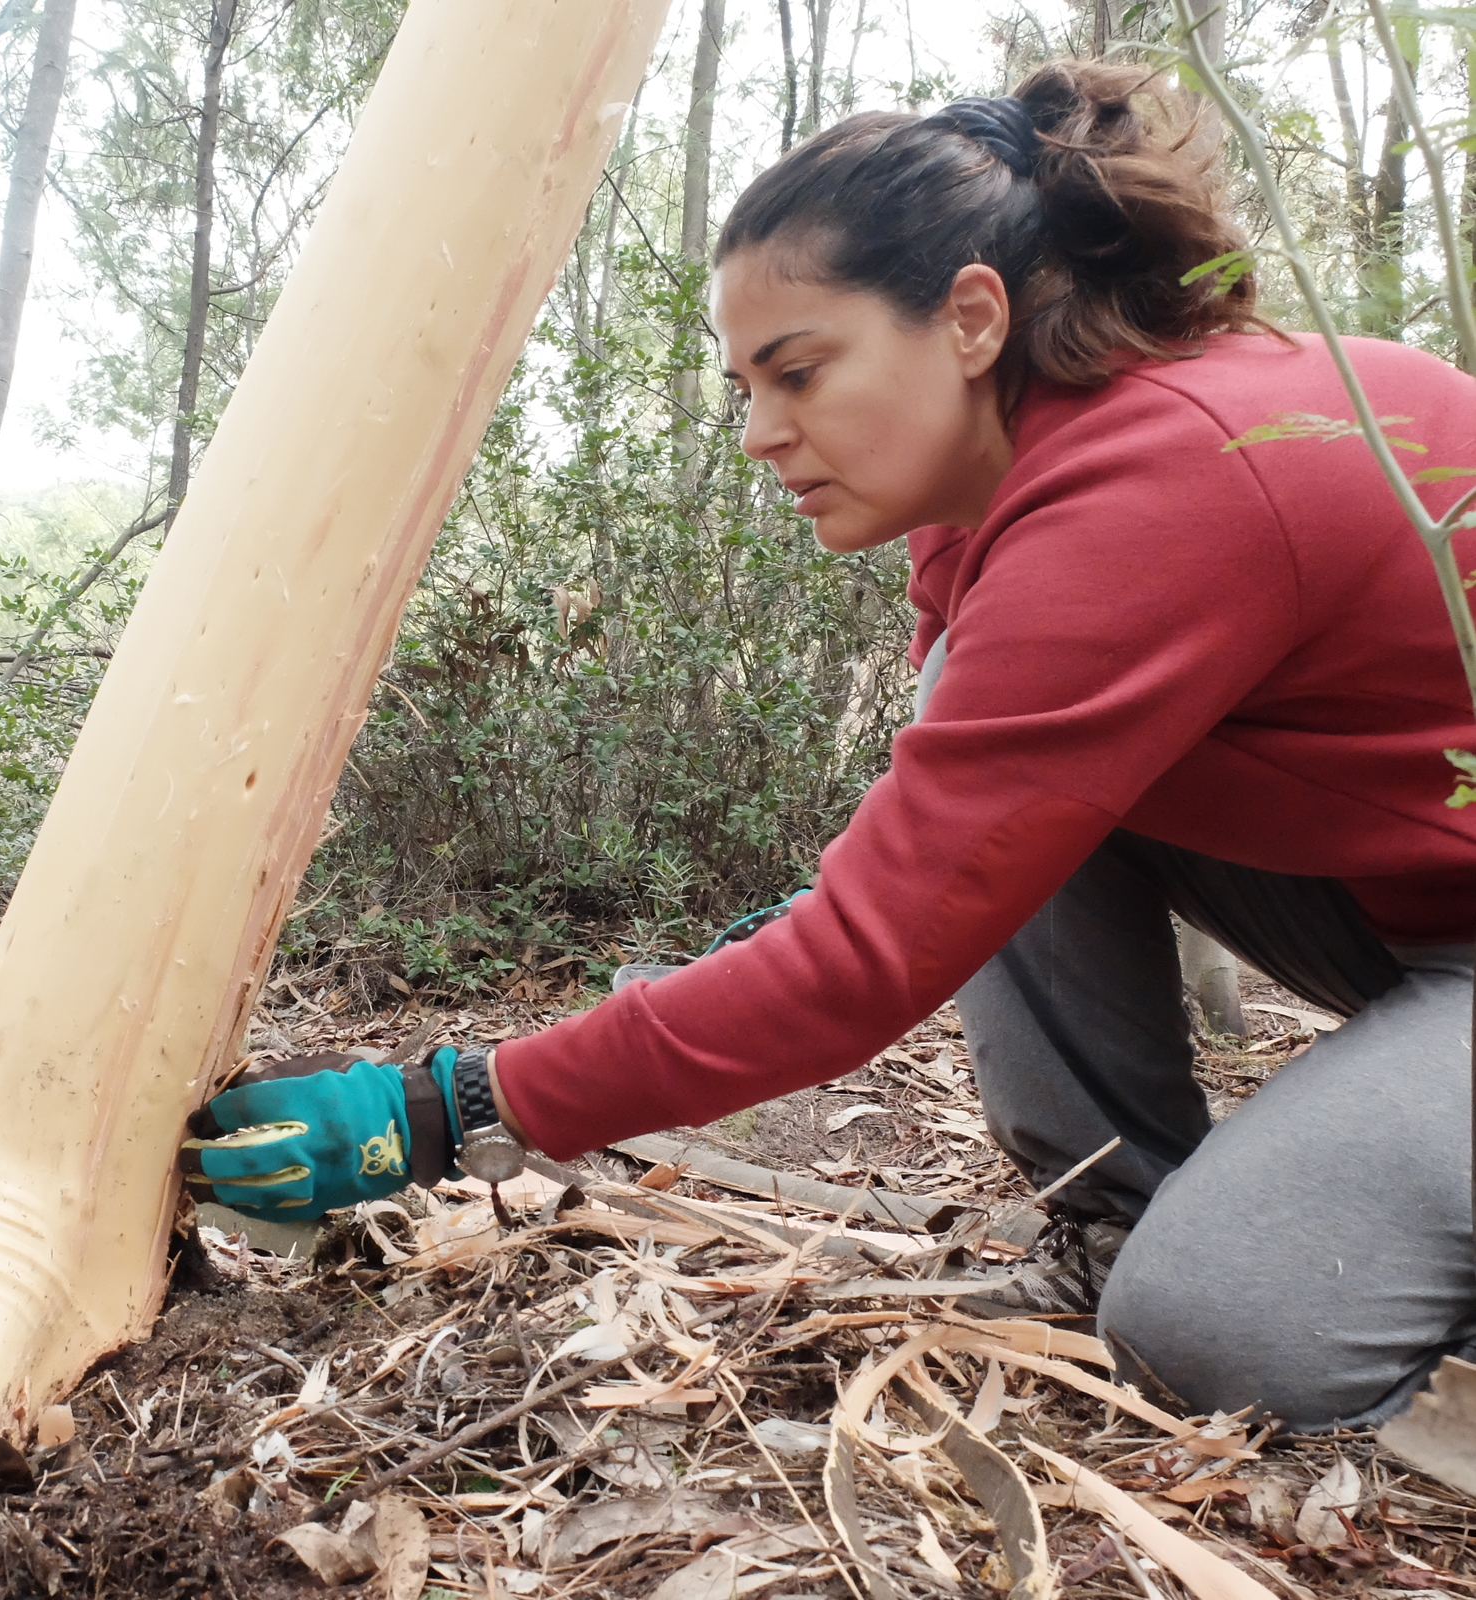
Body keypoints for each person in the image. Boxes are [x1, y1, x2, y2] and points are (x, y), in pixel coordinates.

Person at [184, 60, 1476, 1432]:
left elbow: (863, 964)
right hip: (1409, 911)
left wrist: (449, 1107)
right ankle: (1120, 1218)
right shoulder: (996, 497)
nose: (759, 434)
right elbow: (944, 854)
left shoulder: (1169, 481)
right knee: (977, 753)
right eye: (745, 385)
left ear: (971, 317)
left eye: (798, 371)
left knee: (1226, 1330)